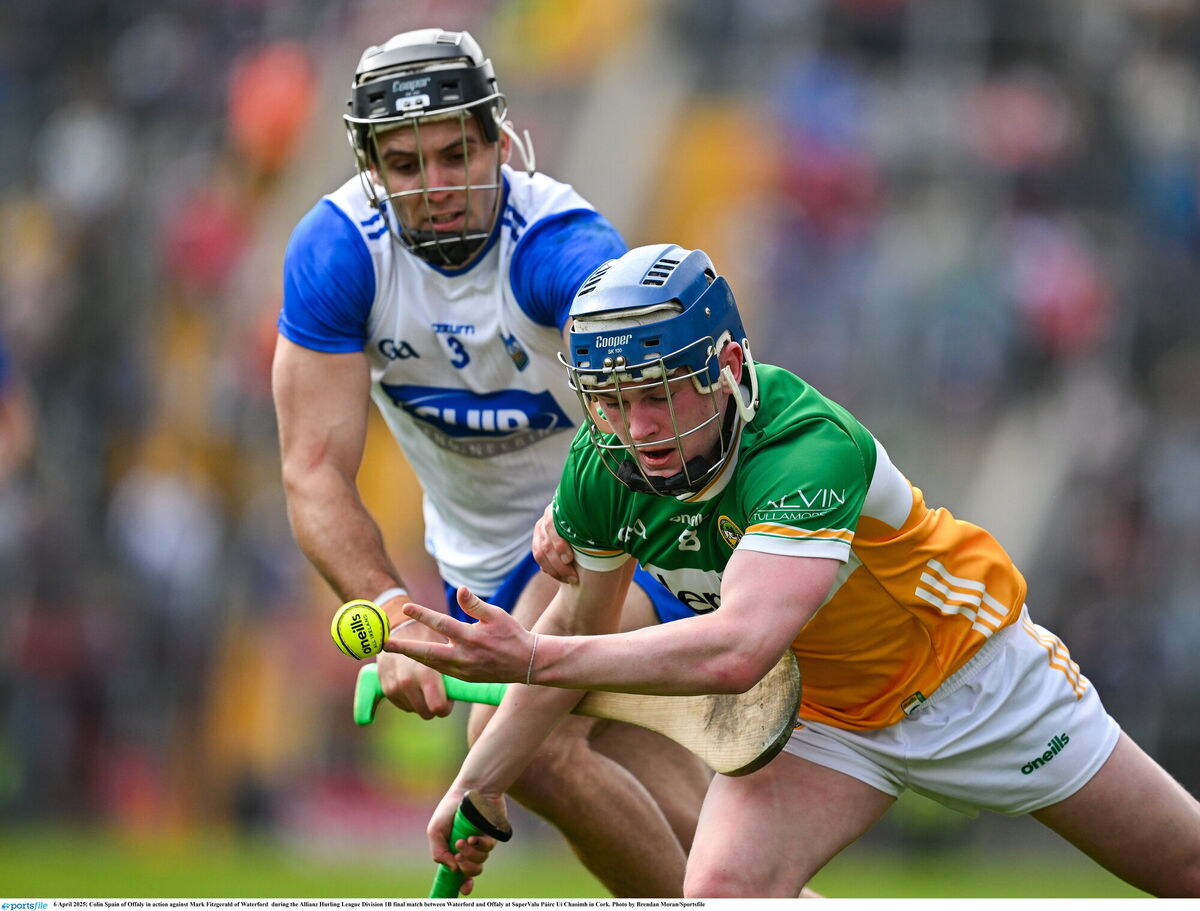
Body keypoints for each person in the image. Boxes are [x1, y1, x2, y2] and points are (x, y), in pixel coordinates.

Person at [387, 243, 1200, 897]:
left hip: (975, 676)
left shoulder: (809, 449)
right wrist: (479, 781)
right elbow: (577, 628)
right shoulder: (602, 467)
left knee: (1183, 867)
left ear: (730, 364)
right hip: (828, 719)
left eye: (663, 393)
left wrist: (528, 656)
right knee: (720, 892)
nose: (639, 426)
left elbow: (737, 649)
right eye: (613, 397)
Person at [271, 30, 710, 897]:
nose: (433, 188)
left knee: (516, 742)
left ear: (499, 144)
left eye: (454, 154)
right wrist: (391, 609)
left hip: (622, 532)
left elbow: (647, 437)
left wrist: (560, 562)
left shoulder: (564, 250)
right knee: (696, 827)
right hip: (481, 574)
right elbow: (312, 471)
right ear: (370, 167)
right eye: (403, 164)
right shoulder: (336, 256)